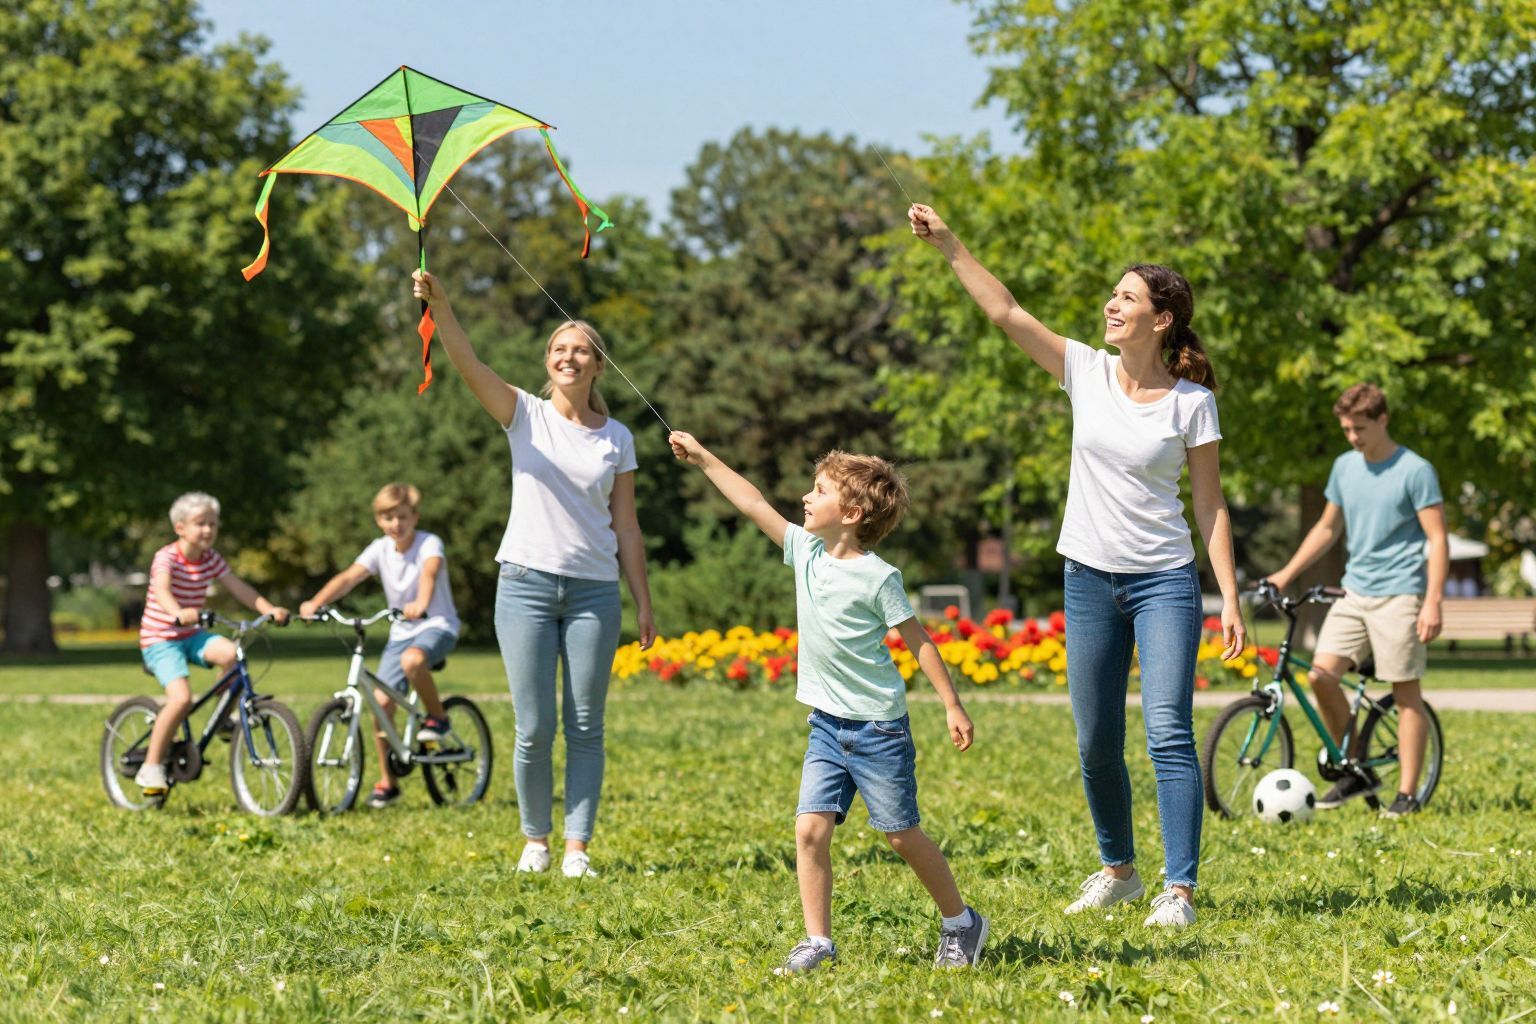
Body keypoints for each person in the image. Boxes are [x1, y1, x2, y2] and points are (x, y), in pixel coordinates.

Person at [909, 203, 1245, 929]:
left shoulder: (1192, 404)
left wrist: (1231, 599)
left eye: (1126, 297)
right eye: (1113, 294)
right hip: (1088, 577)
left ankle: (1178, 890)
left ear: (1161, 320)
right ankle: (1120, 871)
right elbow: (1005, 311)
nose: (1110, 304)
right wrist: (950, 245)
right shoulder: (1084, 372)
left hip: (1164, 582)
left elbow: (1211, 508)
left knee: (1167, 732)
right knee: (1095, 741)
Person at [668, 430, 987, 973]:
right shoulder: (806, 550)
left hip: (878, 731)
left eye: (819, 490)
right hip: (825, 727)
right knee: (809, 830)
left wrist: (952, 705)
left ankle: (962, 921)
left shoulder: (879, 577)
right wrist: (703, 459)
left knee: (900, 834)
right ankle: (818, 941)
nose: (806, 498)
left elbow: (919, 642)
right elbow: (751, 502)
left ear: (854, 512)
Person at [412, 269, 656, 878]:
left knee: (585, 725)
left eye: (580, 350)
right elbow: (468, 366)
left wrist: (643, 603)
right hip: (523, 585)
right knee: (535, 726)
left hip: (595, 593)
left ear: (597, 365)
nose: (568, 357)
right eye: (558, 349)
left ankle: (577, 849)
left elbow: (626, 527)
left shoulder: (618, 439)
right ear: (547, 362)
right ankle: (535, 840)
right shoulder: (524, 414)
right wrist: (442, 307)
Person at [1263, 383, 1447, 817]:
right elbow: (1328, 528)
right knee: (1320, 676)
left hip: (1401, 594)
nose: (1353, 437)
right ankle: (1356, 771)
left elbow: (1437, 539)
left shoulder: (1415, 470)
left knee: (1405, 692)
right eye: (1346, 429)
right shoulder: (1345, 467)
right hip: (1354, 591)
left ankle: (1406, 797)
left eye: (1360, 428)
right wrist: (1286, 573)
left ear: (1382, 420)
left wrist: (1433, 601)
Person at [299, 482, 461, 809]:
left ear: (414, 516)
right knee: (381, 704)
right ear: (378, 521)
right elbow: (349, 577)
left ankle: (439, 718)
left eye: (401, 517)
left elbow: (430, 573)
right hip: (401, 633)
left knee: (414, 662)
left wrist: (421, 603)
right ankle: (389, 781)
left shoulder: (430, 543)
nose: (395, 525)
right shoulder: (380, 549)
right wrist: (316, 602)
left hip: (436, 625)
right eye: (388, 518)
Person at [135, 492, 289, 796]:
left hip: (191, 635)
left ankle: (221, 719)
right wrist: (178, 612)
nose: (208, 530)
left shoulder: (211, 559)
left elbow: (239, 587)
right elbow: (162, 590)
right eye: (200, 524)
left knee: (232, 654)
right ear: (180, 528)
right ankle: (150, 767)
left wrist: (268, 609)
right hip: (161, 638)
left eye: (213, 525)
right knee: (181, 699)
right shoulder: (166, 557)